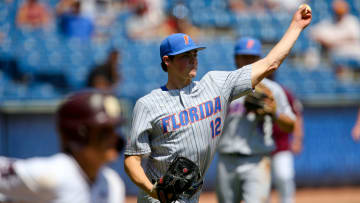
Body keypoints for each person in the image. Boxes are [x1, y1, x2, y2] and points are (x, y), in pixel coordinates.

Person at [124, 6, 311, 203]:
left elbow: (270, 63)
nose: (193, 60)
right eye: (185, 56)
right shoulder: (147, 104)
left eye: (195, 54)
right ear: (167, 61)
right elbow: (132, 159)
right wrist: (152, 190)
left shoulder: (215, 86)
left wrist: (296, 26)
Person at [0, 90, 125, 203]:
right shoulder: (54, 174)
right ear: (79, 135)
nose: (114, 138)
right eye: (104, 132)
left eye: (114, 130)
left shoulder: (112, 183)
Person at [215, 37, 296, 203]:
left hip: (257, 159)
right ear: (236, 58)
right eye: (244, 56)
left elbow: (290, 126)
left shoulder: (272, 90)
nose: (248, 61)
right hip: (226, 159)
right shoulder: (223, 88)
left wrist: (275, 114)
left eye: (252, 57)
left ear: (259, 59)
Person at [270, 85, 304, 203]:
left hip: (281, 145)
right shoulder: (252, 92)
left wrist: (297, 139)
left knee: (285, 178)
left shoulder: (283, 92)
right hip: (259, 147)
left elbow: (296, 116)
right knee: (261, 188)